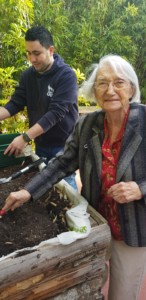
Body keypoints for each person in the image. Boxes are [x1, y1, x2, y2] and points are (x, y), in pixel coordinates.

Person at [2, 54, 146, 300]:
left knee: (122, 292)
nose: (110, 90)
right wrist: (28, 191)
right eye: (102, 83)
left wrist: (140, 188)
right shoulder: (87, 124)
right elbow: (62, 163)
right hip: (95, 221)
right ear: (94, 90)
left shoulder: (143, 121)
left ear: (131, 88)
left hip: (131, 225)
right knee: (90, 278)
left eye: (118, 82)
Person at [0, 25, 78, 189]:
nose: (32, 59)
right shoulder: (28, 76)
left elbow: (55, 114)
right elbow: (15, 104)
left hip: (64, 146)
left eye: (36, 53)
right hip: (42, 144)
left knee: (66, 190)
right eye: (28, 53)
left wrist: (25, 137)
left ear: (50, 50)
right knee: (44, 189)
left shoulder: (66, 76)